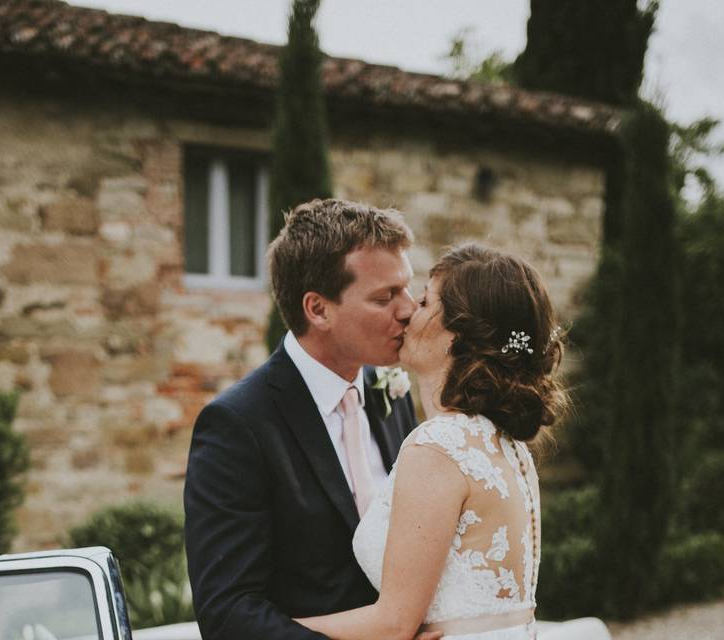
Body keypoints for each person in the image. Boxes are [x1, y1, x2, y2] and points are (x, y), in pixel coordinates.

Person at [294, 243, 572, 640]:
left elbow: (392, 624)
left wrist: (263, 630)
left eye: (424, 302)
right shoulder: (507, 447)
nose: (408, 311)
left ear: (457, 337)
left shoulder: (440, 446)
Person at [184, 199, 427, 640]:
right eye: (384, 297)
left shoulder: (392, 393)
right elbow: (228, 614)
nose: (409, 309)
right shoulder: (238, 426)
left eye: (407, 288)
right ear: (318, 310)